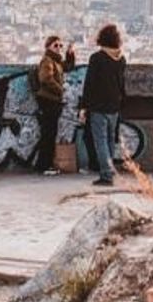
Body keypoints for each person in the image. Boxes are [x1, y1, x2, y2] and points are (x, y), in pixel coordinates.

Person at [79, 24, 127, 187]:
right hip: (114, 105)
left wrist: (84, 106)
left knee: (100, 141)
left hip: (98, 106)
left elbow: (90, 84)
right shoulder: (121, 59)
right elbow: (122, 84)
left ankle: (106, 174)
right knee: (109, 141)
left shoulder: (97, 58)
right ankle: (110, 170)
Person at [33, 36, 76, 175]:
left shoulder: (56, 61)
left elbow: (68, 66)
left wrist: (70, 53)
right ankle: (44, 164)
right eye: (55, 45)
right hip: (49, 101)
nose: (58, 48)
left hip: (52, 101)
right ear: (48, 47)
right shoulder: (47, 61)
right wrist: (60, 89)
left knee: (50, 133)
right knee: (48, 133)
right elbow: (45, 79)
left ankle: (44, 164)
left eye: (60, 45)